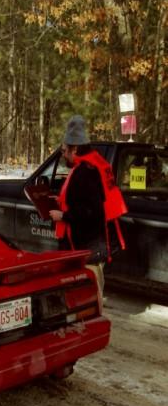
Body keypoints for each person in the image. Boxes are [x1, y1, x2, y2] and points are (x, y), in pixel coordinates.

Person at [49, 115, 126, 298]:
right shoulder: (95, 164)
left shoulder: (85, 172)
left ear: (75, 149)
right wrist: (60, 201)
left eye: (64, 151)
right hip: (95, 244)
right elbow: (85, 201)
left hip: (89, 247)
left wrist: (63, 216)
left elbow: (92, 211)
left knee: (90, 297)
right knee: (87, 293)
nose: (63, 155)